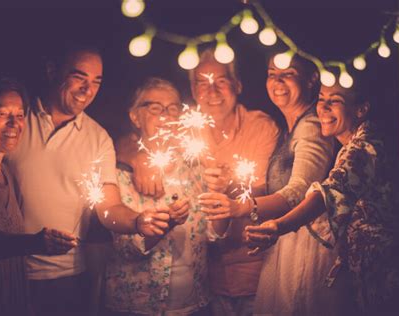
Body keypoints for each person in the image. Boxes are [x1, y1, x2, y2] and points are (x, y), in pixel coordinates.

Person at [6, 45, 169, 316]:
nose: (87, 89)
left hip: (66, 277)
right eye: (79, 77)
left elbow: (109, 208)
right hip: (6, 269)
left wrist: (138, 221)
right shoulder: (15, 120)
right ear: (51, 70)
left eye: (96, 82)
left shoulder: (98, 139)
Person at [116, 49, 279, 315]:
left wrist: (223, 190)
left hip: (238, 279)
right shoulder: (178, 137)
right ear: (193, 90)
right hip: (168, 296)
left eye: (222, 81)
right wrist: (134, 156)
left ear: (238, 85)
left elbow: (233, 215)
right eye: (203, 82)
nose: (212, 91)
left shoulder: (257, 129)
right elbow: (125, 245)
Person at [245, 81, 399, 315]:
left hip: (379, 270)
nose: (323, 108)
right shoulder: (356, 142)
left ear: (361, 109)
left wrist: (279, 226)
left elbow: (327, 194)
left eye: (335, 100)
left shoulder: (363, 147)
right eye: (321, 98)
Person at [198, 53, 334, 315]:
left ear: (310, 80)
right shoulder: (291, 128)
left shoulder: (311, 127)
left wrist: (240, 208)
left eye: (288, 73)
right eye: (272, 74)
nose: (278, 81)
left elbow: (298, 191)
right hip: (279, 249)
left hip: (305, 247)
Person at [105, 77, 230, 315]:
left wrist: (220, 194)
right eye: (155, 108)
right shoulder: (118, 175)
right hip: (138, 306)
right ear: (134, 116)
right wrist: (168, 222)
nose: (166, 115)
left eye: (173, 108)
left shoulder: (195, 171)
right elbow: (128, 248)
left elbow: (216, 235)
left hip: (195, 304)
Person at [0, 77, 78, 315]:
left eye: (19, 115)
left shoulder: (7, 173)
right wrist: (36, 243)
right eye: (2, 114)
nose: (13, 123)